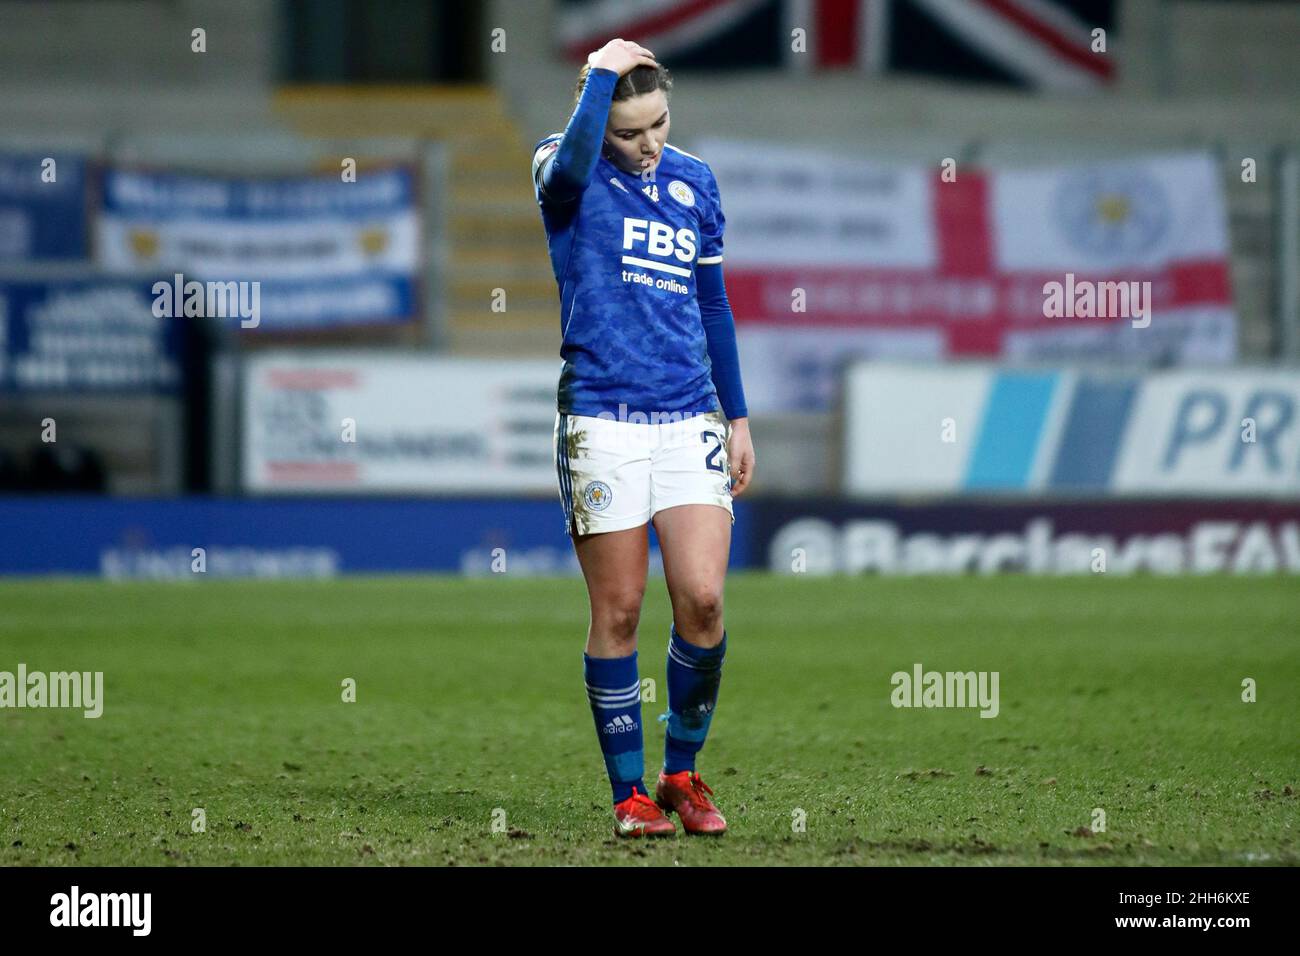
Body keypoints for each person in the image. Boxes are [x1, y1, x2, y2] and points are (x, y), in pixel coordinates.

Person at [531, 38, 755, 838]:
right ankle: (629, 795)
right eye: (630, 132)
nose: (648, 143)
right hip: (600, 419)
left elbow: (714, 307)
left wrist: (736, 416)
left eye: (658, 123)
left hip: (687, 414)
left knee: (702, 599)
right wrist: (597, 74)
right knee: (619, 609)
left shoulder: (696, 181)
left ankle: (681, 773)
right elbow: (568, 166)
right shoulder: (567, 167)